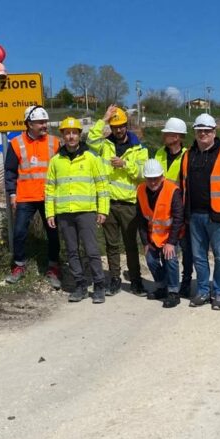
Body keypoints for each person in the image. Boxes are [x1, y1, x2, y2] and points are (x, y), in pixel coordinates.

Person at [180, 113, 220, 310]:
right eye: (200, 131)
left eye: (207, 131)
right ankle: (204, 291)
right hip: (194, 214)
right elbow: (184, 185)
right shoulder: (188, 155)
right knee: (199, 257)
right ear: (196, 133)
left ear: (214, 132)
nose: (203, 134)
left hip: (218, 214)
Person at [44, 117, 109, 303]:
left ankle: (99, 285)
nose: (71, 136)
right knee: (72, 251)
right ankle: (80, 285)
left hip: (86, 212)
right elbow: (49, 189)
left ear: (80, 135)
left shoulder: (91, 158)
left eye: (74, 133)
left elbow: (102, 185)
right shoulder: (56, 161)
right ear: (62, 136)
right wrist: (50, 212)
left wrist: (102, 210)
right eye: (67, 133)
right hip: (64, 213)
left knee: (92, 250)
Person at [87, 104, 149, 296]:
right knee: (111, 245)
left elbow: (142, 174)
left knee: (130, 244)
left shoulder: (139, 149)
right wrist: (104, 119)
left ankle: (136, 281)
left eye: (121, 126)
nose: (119, 130)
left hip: (129, 204)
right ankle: (114, 279)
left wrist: (125, 164)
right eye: (115, 126)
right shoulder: (105, 145)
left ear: (126, 126)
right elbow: (90, 139)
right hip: (108, 203)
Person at [4, 105, 61, 286]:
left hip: (49, 197)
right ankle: (19, 266)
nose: (45, 125)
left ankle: (53, 268)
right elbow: (10, 171)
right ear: (29, 124)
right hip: (25, 198)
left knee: (53, 234)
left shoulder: (54, 142)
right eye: (40, 122)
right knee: (19, 232)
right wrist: (12, 194)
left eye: (45, 121)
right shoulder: (16, 143)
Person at [136, 159, 184, 309]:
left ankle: (174, 292)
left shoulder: (172, 190)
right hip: (153, 237)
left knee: (170, 259)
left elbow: (178, 218)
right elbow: (141, 220)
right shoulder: (140, 190)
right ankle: (163, 287)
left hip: (171, 236)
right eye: (149, 179)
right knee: (150, 260)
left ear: (162, 177)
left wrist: (171, 242)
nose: (152, 182)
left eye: (155, 178)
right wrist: (145, 243)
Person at [154, 117, 193, 297]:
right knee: (165, 247)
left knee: (186, 249)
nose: (164, 136)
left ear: (177, 136)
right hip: (163, 210)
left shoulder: (188, 155)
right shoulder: (159, 154)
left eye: (168, 133)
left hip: (182, 209)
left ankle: (185, 282)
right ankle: (169, 283)